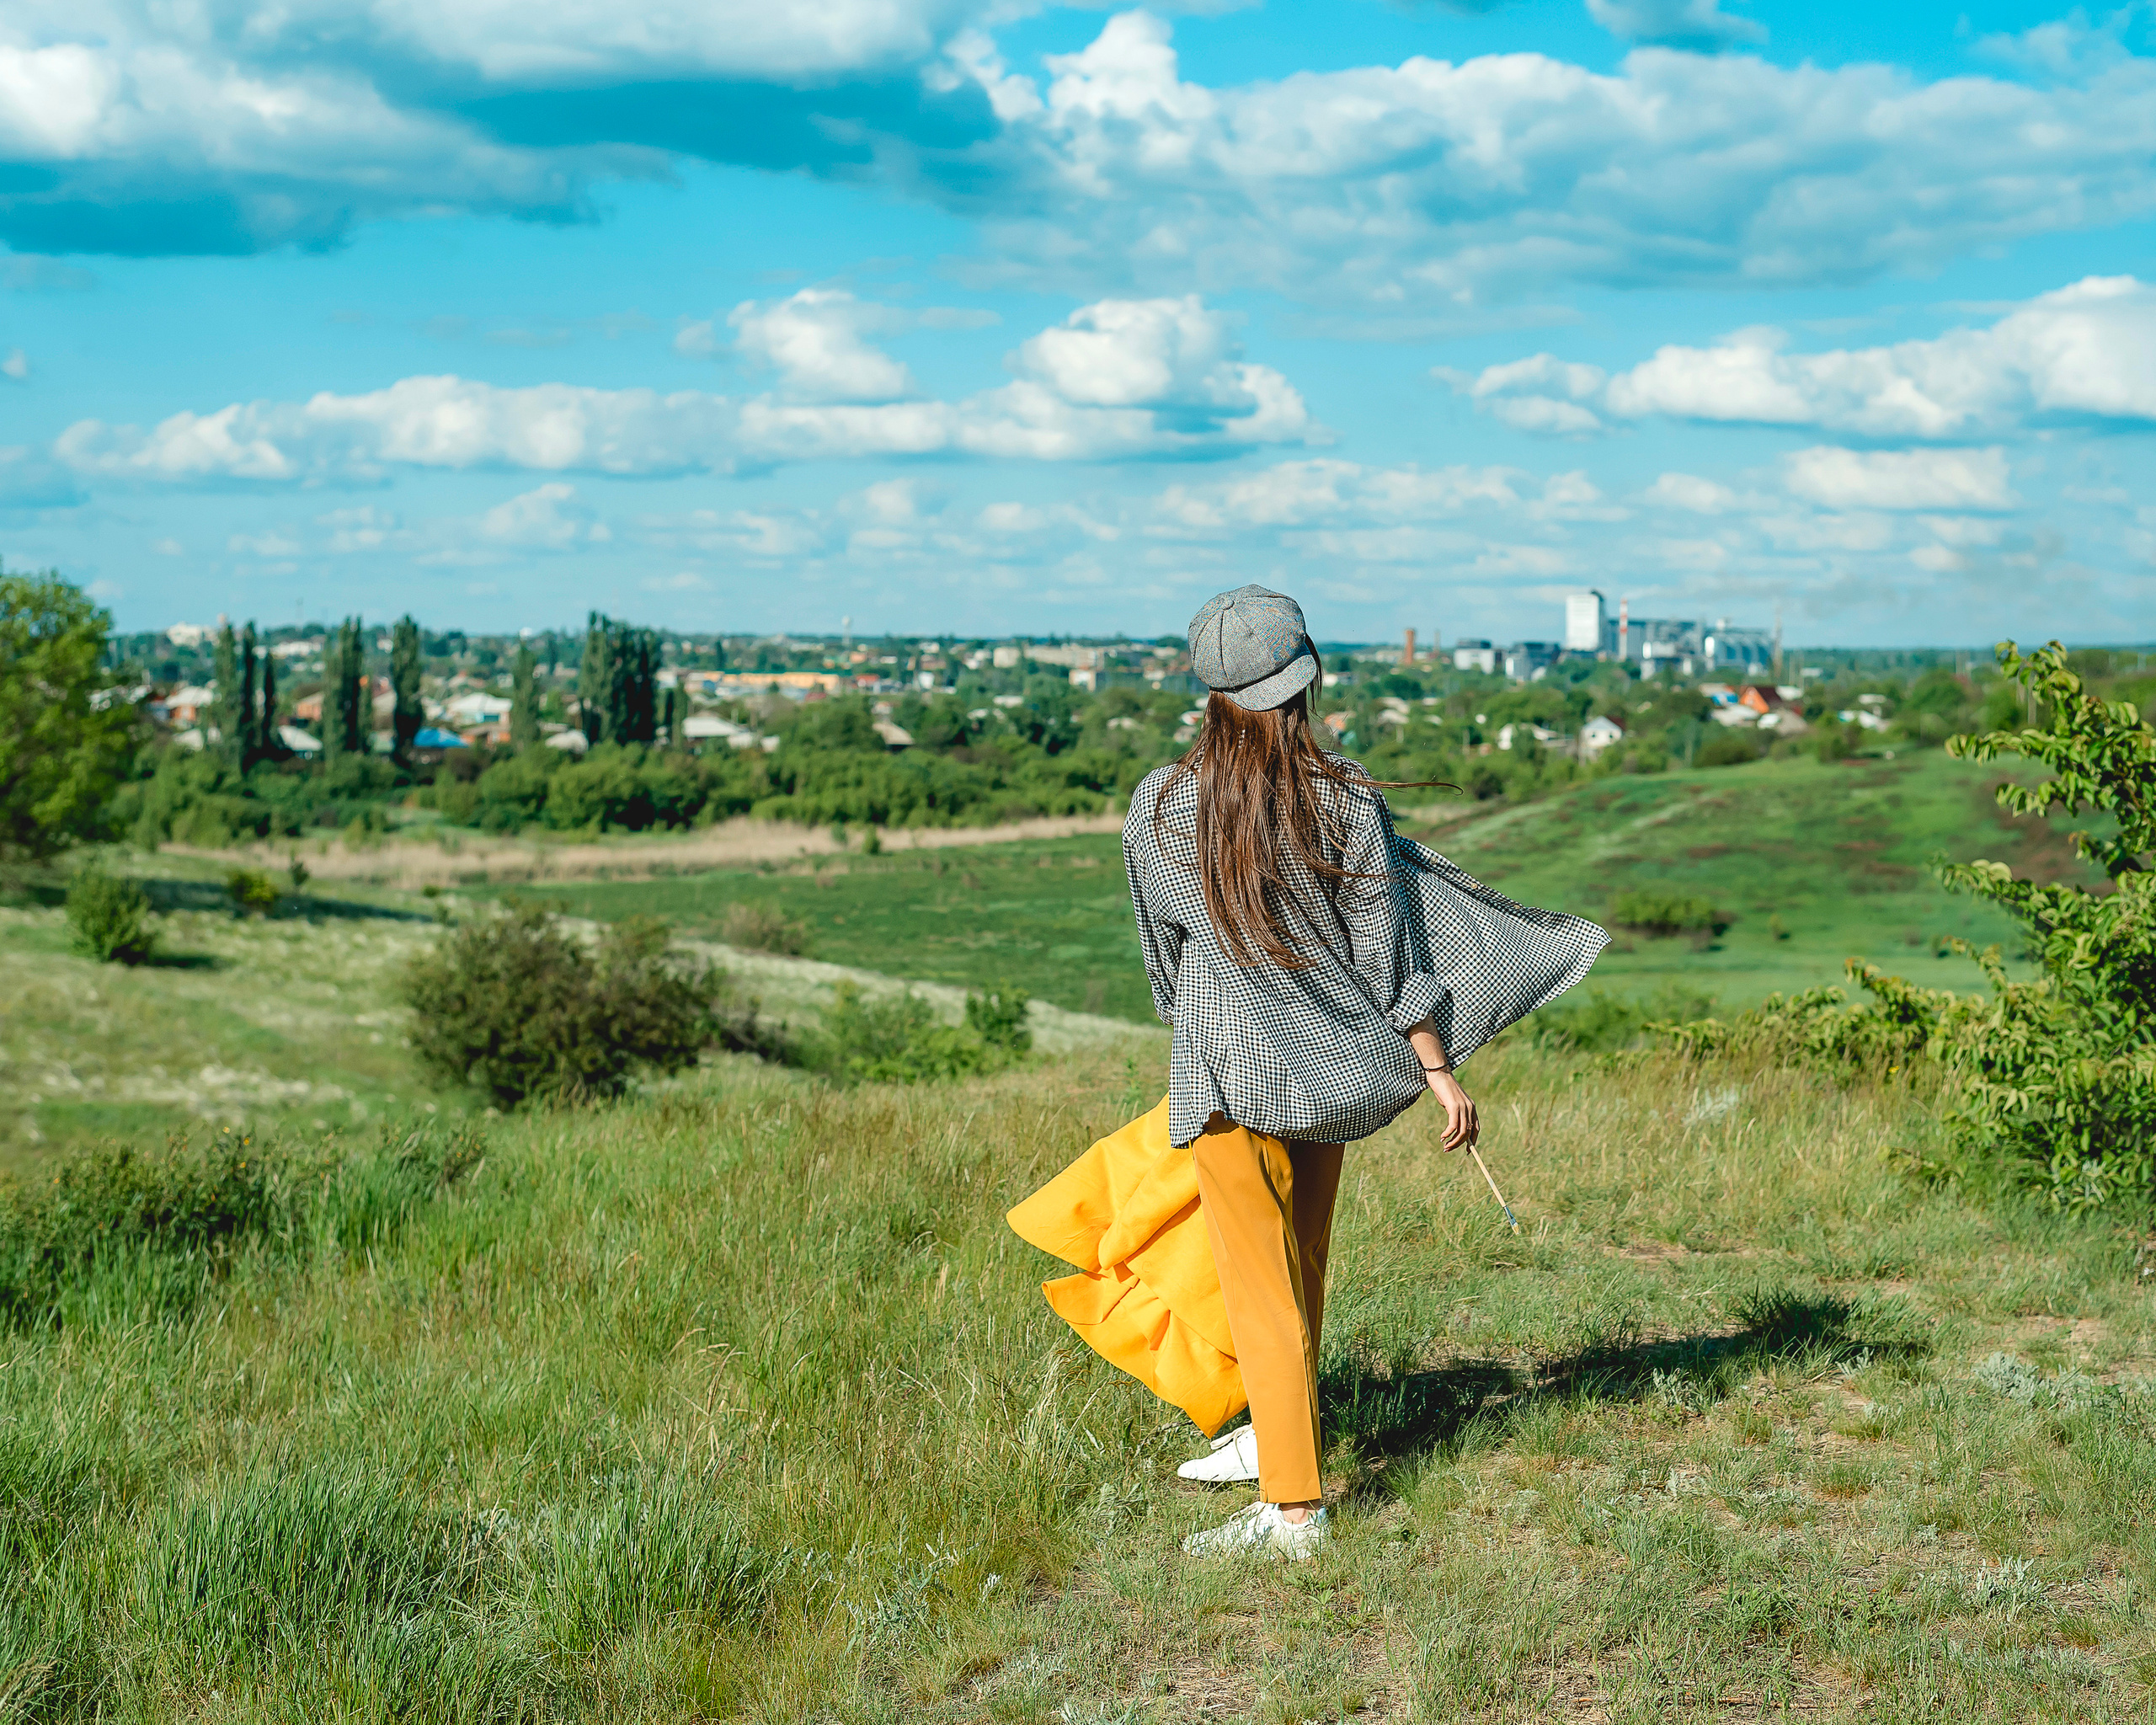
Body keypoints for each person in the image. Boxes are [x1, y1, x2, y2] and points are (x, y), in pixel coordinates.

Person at [1008, 585, 1606, 1561]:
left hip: (1230, 1072)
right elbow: (1389, 950)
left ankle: (1292, 1509)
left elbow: (1163, 962)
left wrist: (1207, 1020)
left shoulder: (1157, 806)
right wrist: (1437, 1069)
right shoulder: (1342, 793)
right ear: (1303, 682)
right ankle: (1271, 1433)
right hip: (1334, 1070)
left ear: (1209, 693)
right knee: (1302, 1272)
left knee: (1261, 1287)